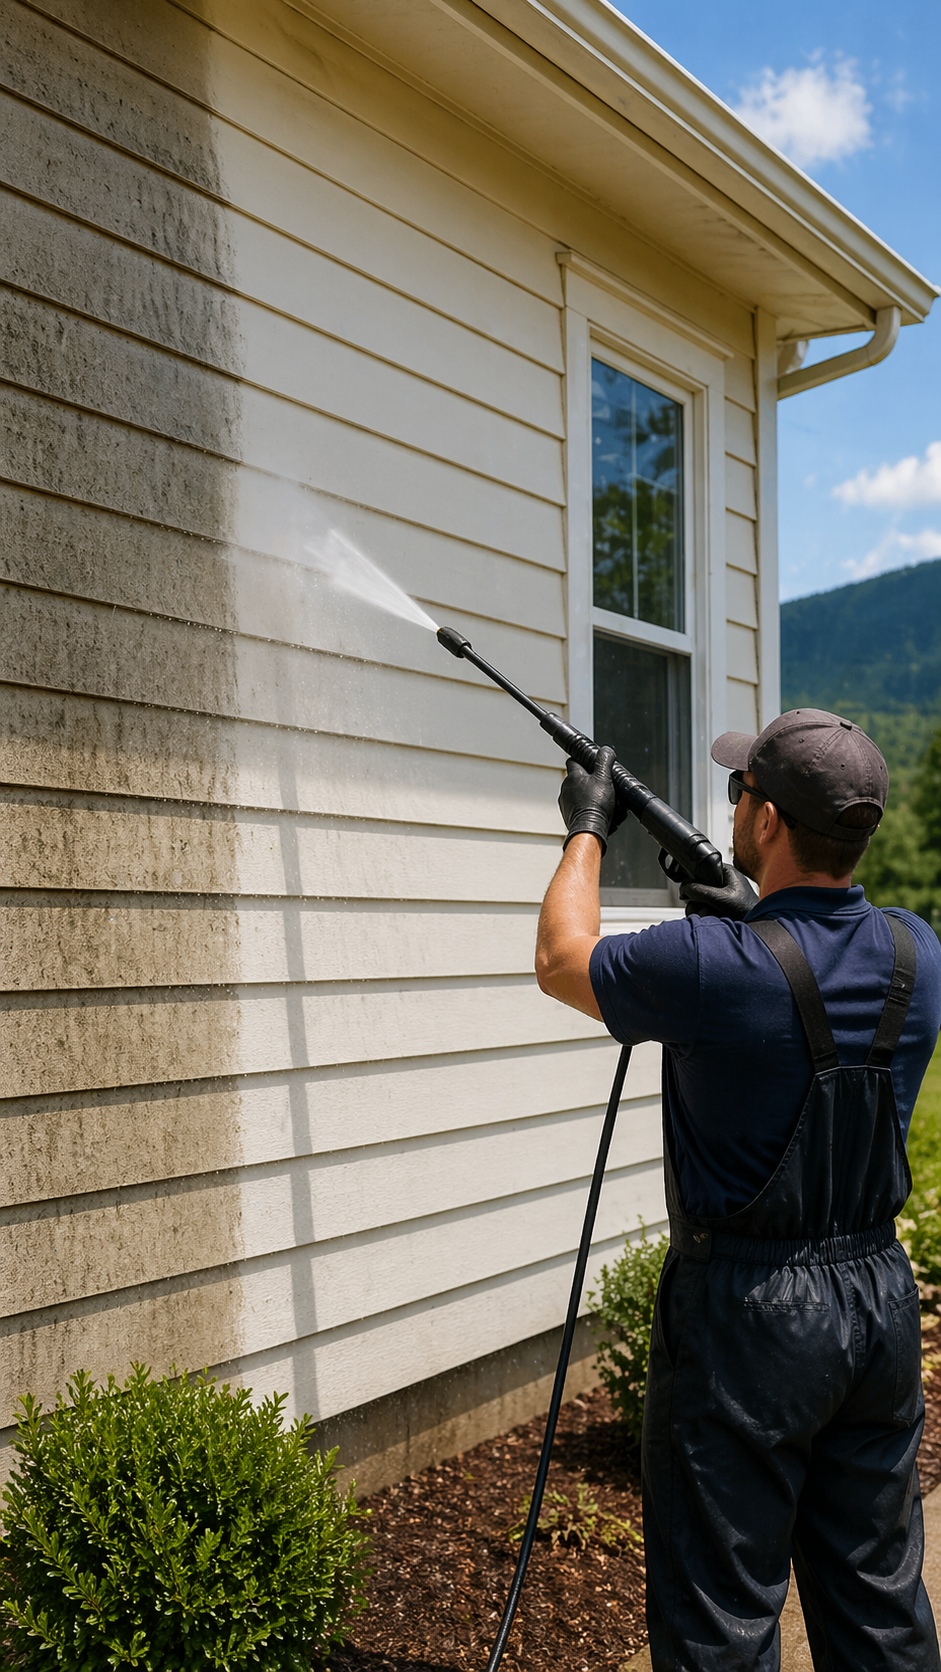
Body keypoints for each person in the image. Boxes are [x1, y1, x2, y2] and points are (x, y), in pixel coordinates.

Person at [534, 709, 941, 1671]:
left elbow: (561, 959)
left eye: (740, 790)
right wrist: (746, 914)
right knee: (876, 1596)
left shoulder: (711, 969)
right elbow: (804, 980)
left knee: (719, 1617)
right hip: (876, 1302)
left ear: (763, 823)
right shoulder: (916, 956)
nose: (732, 805)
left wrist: (585, 826)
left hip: (745, 1320)